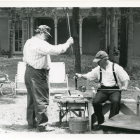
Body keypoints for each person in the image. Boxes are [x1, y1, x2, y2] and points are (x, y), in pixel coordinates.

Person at [23, 25, 74, 132]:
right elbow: (55, 50)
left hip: (29, 71)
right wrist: (67, 44)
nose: (47, 37)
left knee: (32, 99)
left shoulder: (29, 41)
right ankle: (42, 125)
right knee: (41, 99)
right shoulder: (39, 43)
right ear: (41, 33)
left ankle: (31, 123)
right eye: (46, 34)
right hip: (37, 73)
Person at [75, 51, 130, 130]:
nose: (97, 63)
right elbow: (88, 76)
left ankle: (111, 124)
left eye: (98, 61)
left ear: (105, 59)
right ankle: (101, 122)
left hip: (114, 90)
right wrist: (80, 75)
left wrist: (125, 86)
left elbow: (125, 78)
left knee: (116, 101)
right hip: (102, 90)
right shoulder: (98, 69)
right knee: (96, 102)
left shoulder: (116, 67)